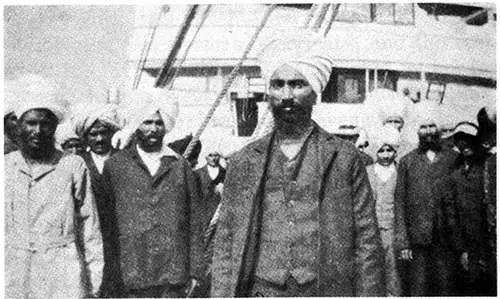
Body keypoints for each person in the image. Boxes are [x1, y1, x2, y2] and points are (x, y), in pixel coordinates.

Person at [211, 37, 385, 297]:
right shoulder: (244, 160)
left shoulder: (345, 158)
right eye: (278, 85)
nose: (287, 95)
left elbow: (366, 240)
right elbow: (226, 240)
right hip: (262, 290)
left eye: (297, 84)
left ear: (316, 92)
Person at [102, 89, 205, 298]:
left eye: (159, 123)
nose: (154, 129)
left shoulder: (180, 166)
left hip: (173, 277)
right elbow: (107, 225)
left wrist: (196, 271)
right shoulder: (116, 166)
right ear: (136, 125)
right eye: (147, 122)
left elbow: (195, 222)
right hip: (132, 275)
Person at [4, 85, 103, 298]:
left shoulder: (72, 165)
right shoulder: (6, 166)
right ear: (19, 125)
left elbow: (89, 227)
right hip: (14, 275)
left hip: (62, 275)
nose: (38, 131)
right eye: (31, 123)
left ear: (54, 127)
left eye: (45, 124)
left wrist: (93, 281)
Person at [394, 101, 462, 296]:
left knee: (445, 288)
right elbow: (399, 204)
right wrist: (403, 242)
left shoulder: (452, 159)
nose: (428, 131)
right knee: (418, 289)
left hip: (446, 239)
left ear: (439, 128)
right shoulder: (407, 162)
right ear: (417, 131)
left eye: (432, 126)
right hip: (417, 240)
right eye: (423, 127)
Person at [74, 103, 122, 297]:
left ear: (111, 133)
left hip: (118, 239)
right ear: (85, 137)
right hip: (88, 238)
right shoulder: (77, 162)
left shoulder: (124, 160)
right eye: (93, 134)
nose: (100, 138)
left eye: (104, 132)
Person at [366, 125, 405, 296]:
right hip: (371, 230)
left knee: (393, 269)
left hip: (392, 229)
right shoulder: (368, 172)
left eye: (390, 150)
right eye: (381, 150)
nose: (386, 155)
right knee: (372, 268)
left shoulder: (399, 172)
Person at [195, 151, 226, 229]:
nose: (213, 158)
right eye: (210, 155)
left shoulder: (226, 173)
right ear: (206, 157)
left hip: (219, 213)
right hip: (202, 213)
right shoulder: (198, 174)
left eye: (216, 155)